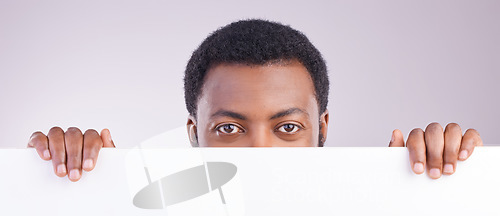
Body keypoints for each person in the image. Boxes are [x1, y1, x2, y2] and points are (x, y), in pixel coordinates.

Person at [27, 19, 483, 182]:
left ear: (322, 130)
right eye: (229, 128)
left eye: (287, 128)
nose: (260, 154)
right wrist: (83, 194)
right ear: (194, 134)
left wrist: (422, 199)